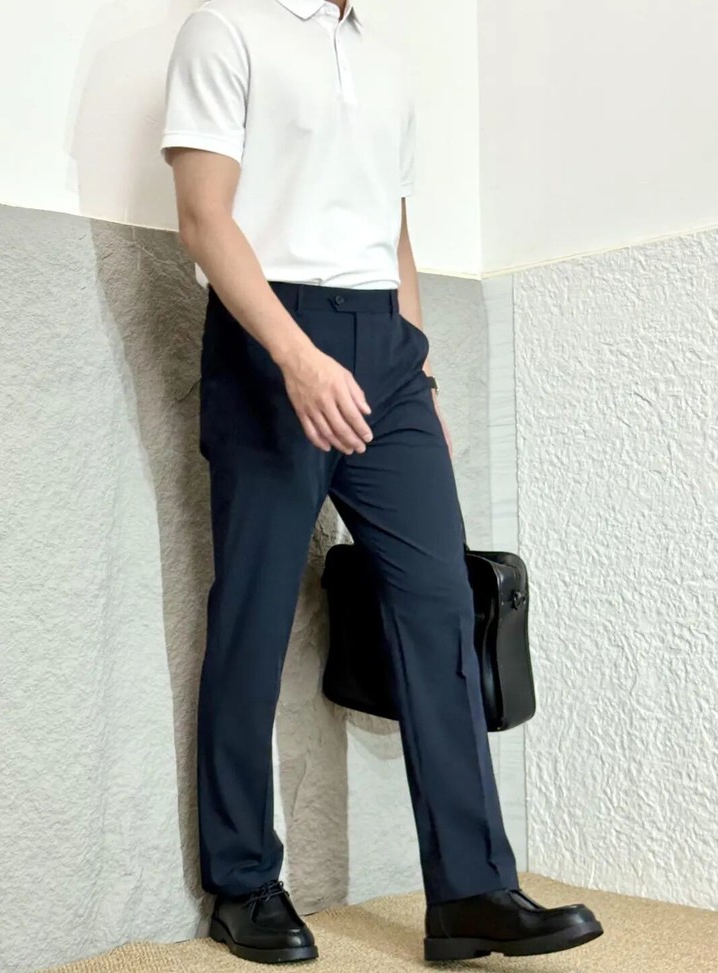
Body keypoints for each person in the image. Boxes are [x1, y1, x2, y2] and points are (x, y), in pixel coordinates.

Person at [160, 0, 604, 964]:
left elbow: (391, 232)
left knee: (441, 605)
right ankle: (243, 883)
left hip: (388, 352)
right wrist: (294, 354)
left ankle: (471, 891)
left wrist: (421, 371)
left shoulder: (386, 64)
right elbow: (202, 216)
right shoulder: (225, 28)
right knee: (255, 616)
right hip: (269, 338)